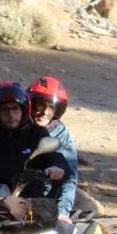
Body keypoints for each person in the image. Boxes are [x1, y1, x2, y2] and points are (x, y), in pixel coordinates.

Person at [26, 77, 81, 225]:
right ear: (30, 104)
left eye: (51, 107)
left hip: (45, 202)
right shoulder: (18, 128)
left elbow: (70, 178)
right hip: (13, 196)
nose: (44, 112)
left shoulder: (62, 137)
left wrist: (62, 211)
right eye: (40, 105)